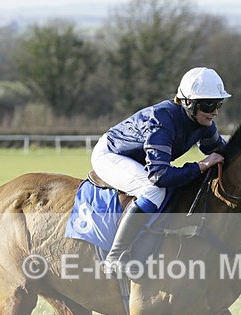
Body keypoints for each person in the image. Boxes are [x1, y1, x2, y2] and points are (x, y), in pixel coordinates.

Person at [91, 66, 231, 274]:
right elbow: (159, 175)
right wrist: (201, 166)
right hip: (112, 154)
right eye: (209, 105)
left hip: (139, 161)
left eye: (218, 103)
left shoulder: (204, 122)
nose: (215, 111)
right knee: (153, 190)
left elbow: (220, 152)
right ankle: (115, 256)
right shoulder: (162, 120)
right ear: (188, 103)